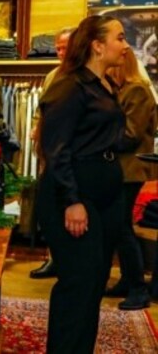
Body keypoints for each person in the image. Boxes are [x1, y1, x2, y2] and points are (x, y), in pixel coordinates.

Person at [36, 14, 128, 353]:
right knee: (79, 284)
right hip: (74, 196)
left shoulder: (104, 83)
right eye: (119, 38)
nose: (126, 44)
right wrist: (72, 199)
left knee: (94, 284)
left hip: (104, 196)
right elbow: (55, 148)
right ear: (97, 45)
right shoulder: (69, 85)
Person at [104, 46, 157, 310]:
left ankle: (137, 287)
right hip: (123, 168)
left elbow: (132, 133)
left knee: (122, 227)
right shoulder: (123, 90)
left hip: (130, 168)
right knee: (119, 226)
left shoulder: (136, 90)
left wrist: (100, 141)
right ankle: (128, 279)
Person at [30, 26, 73, 279]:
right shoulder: (52, 76)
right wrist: (37, 126)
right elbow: (41, 108)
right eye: (58, 47)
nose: (60, 52)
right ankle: (53, 256)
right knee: (51, 207)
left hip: (70, 153)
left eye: (65, 48)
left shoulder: (84, 76)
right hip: (49, 150)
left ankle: (66, 259)